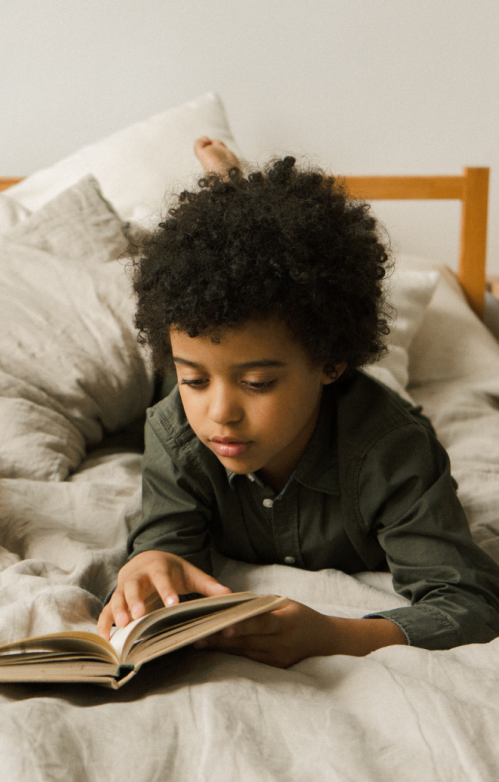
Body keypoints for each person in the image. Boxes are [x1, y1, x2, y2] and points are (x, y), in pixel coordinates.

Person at [97, 139, 499, 667]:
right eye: (192, 379)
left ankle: (239, 197)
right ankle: (233, 201)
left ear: (331, 360)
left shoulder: (392, 451)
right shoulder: (177, 429)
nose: (221, 413)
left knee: (380, 388)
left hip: (358, 405)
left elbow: (468, 604)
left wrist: (337, 636)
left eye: (258, 383)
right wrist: (150, 561)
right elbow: (166, 533)